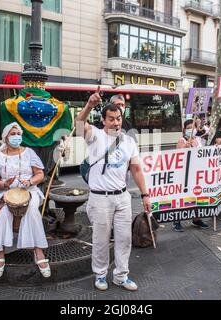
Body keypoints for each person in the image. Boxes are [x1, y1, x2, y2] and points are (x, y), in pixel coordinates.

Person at [76, 93, 151, 292]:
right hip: (100, 198)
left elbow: (136, 169)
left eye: (118, 118)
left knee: (124, 238)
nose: (116, 122)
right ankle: (100, 275)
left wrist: (145, 194)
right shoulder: (95, 136)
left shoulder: (129, 141)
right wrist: (89, 105)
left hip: (123, 197)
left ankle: (121, 275)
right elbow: (79, 124)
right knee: (100, 239)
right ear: (103, 120)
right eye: (111, 119)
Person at [0, 122, 50, 279]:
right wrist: (3, 184)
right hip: (6, 193)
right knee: (4, 213)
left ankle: (38, 251)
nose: (16, 137)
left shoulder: (29, 152)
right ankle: (0, 253)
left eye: (18, 134)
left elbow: (39, 174)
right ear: (5, 137)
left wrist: (31, 182)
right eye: (12, 134)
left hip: (29, 192)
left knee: (32, 210)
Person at [173, 119, 210, 232]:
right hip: (184, 175)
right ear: (184, 129)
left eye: (192, 127)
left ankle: (196, 219)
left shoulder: (197, 140)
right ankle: (177, 221)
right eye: (188, 128)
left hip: (196, 174)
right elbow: (178, 155)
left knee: (197, 196)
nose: (191, 130)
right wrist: (185, 147)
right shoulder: (182, 140)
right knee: (182, 197)